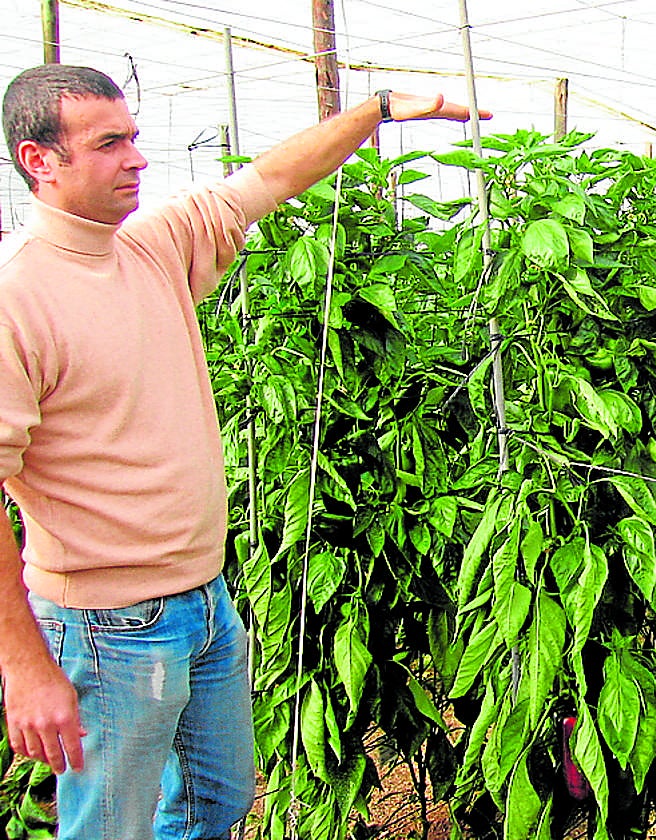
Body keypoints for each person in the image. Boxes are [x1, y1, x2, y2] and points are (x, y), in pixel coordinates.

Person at [0, 63, 489, 840]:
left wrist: (380, 110)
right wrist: (25, 667)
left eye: (133, 138)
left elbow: (269, 178)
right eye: (108, 144)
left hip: (203, 600)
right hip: (106, 623)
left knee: (214, 806)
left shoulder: (148, 250)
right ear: (41, 161)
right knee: (110, 830)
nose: (137, 159)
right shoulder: (17, 298)